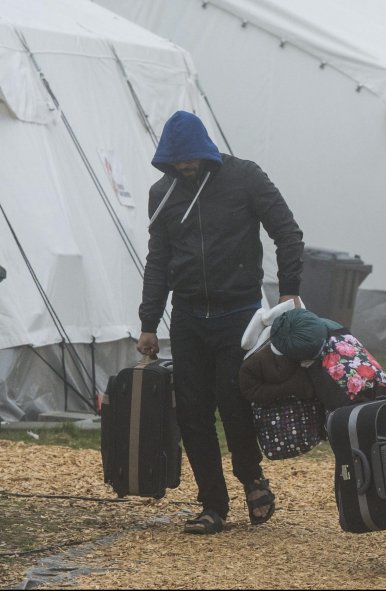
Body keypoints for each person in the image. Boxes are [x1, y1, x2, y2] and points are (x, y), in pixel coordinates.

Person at [136, 110, 304, 535]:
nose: (184, 166)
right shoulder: (164, 193)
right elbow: (158, 261)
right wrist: (149, 322)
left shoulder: (244, 177)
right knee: (192, 412)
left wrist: (289, 290)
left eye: (189, 158)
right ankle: (213, 504)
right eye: (176, 161)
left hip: (239, 313)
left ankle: (251, 480)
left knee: (236, 403)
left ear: (204, 150)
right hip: (189, 314)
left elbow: (287, 231)